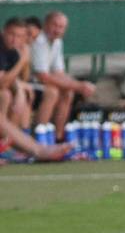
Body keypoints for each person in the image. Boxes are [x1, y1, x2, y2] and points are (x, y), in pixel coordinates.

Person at [31, 11, 96, 142]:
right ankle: (38, 139)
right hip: (31, 82)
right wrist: (79, 86)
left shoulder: (57, 42)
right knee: (53, 92)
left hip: (40, 83)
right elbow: (42, 76)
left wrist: (78, 86)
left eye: (61, 27)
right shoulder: (39, 42)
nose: (58, 30)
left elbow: (59, 73)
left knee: (68, 92)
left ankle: (58, 137)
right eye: (55, 25)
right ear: (46, 25)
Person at [0, 17, 33, 131]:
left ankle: (19, 138)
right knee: (5, 95)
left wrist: (26, 61)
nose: (14, 39)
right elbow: (2, 83)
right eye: (11, 34)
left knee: (26, 93)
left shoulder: (14, 49)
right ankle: (5, 139)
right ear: (4, 31)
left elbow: (24, 78)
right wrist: (22, 60)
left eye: (19, 36)